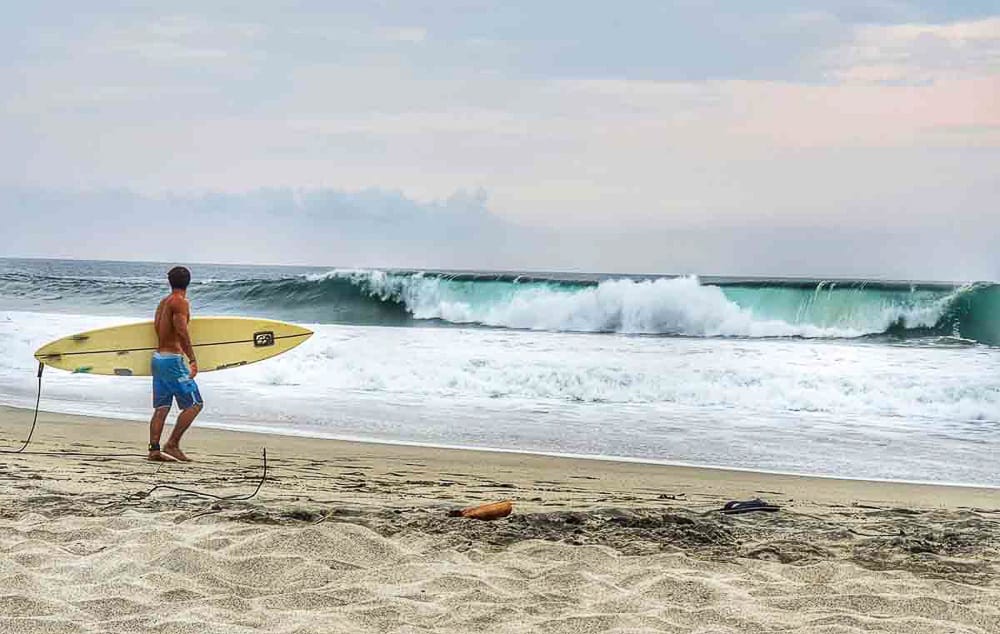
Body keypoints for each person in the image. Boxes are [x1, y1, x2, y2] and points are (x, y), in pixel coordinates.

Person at [148, 266, 203, 462]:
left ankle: (154, 450)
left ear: (170, 281)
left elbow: (157, 328)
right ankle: (172, 444)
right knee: (195, 404)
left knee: (162, 407)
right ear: (188, 281)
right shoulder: (180, 302)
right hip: (173, 361)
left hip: (158, 359)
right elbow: (181, 331)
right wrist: (193, 359)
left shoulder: (163, 302)